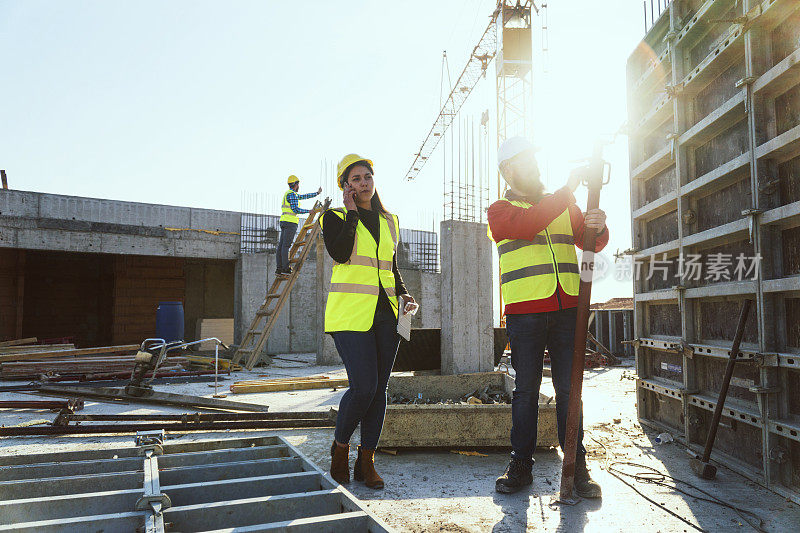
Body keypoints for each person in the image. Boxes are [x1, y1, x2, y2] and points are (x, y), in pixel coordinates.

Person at [488, 136, 608, 498]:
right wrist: (568, 189)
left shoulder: (561, 204)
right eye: (526, 162)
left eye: (535, 160)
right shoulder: (500, 209)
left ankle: (577, 465)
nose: (534, 167)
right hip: (525, 314)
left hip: (567, 308)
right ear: (509, 170)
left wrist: (598, 225)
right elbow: (528, 225)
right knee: (525, 391)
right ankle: (520, 464)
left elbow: (591, 241)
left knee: (570, 391)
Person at [321, 153, 418, 490]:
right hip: (349, 314)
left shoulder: (389, 220)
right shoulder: (333, 217)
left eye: (367, 177)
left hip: (387, 314)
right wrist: (350, 212)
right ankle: (340, 447)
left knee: (379, 392)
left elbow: (389, 267)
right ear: (345, 187)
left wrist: (404, 294)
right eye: (355, 180)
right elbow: (340, 253)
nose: (363, 183)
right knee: (364, 386)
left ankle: (367, 461)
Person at [277, 175, 321, 277]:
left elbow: (303, 196)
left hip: (284, 221)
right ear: (296, 185)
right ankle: (285, 269)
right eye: (298, 184)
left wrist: (317, 193)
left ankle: (279, 269)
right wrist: (308, 211)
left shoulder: (290, 194)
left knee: (281, 247)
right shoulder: (292, 195)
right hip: (290, 223)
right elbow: (295, 209)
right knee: (285, 246)